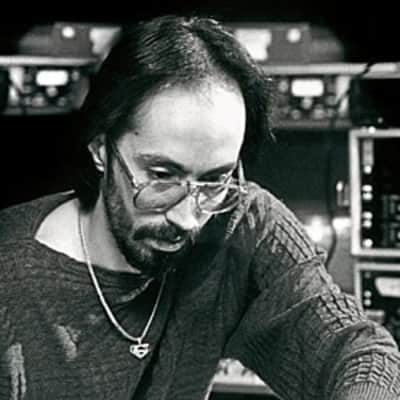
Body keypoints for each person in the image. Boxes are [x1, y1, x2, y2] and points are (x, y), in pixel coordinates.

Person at [0, 14, 399, 400]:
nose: (188, 218)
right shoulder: (10, 281)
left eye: (214, 180)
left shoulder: (239, 225)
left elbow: (359, 352)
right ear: (101, 148)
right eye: (162, 176)